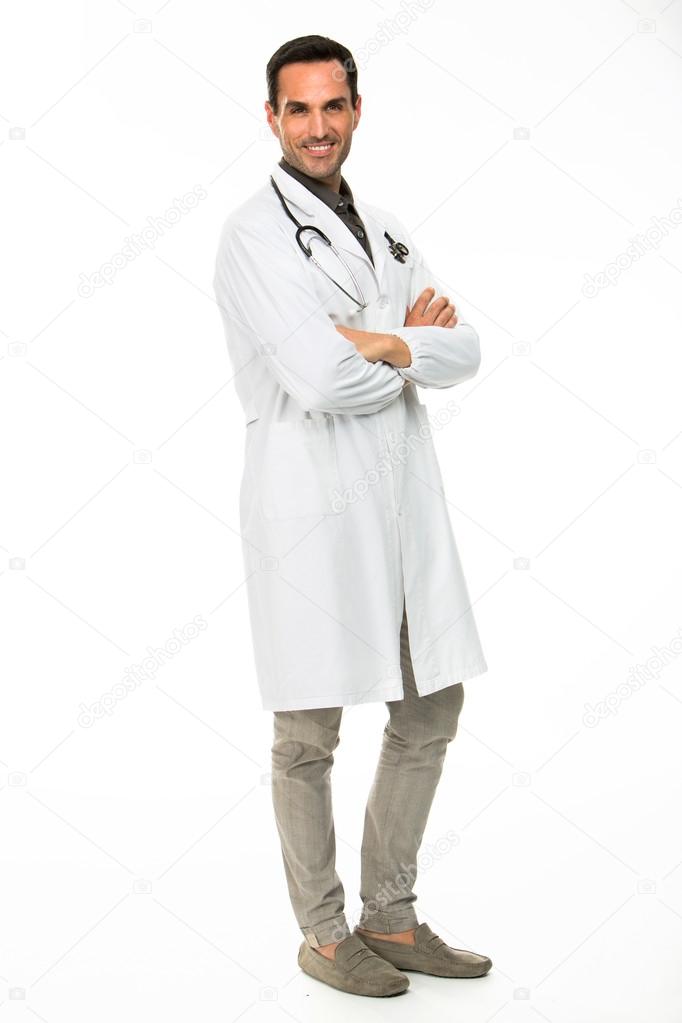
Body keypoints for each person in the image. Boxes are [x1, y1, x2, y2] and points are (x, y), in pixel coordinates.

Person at [213, 34, 492, 997]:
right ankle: (325, 933)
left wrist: (385, 340)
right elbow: (322, 379)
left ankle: (393, 913)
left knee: (430, 704)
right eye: (299, 110)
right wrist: (409, 346)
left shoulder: (390, 228)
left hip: (400, 503)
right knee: (308, 732)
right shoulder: (253, 235)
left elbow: (469, 353)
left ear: (357, 110)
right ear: (273, 118)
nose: (318, 127)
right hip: (309, 510)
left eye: (333, 107)